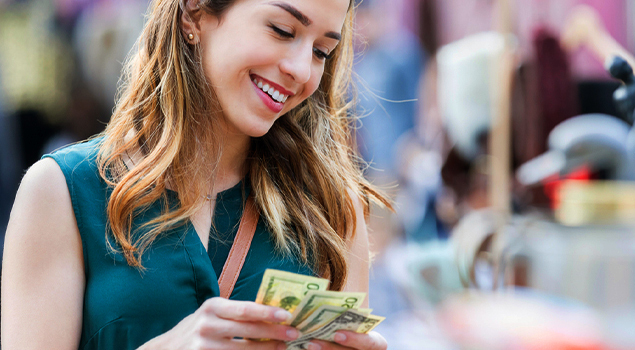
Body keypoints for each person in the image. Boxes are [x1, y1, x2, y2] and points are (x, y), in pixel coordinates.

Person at [1, 0, 390, 349]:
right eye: (282, 30)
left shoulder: (331, 209)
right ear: (194, 12)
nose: (301, 70)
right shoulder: (62, 191)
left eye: (322, 51)